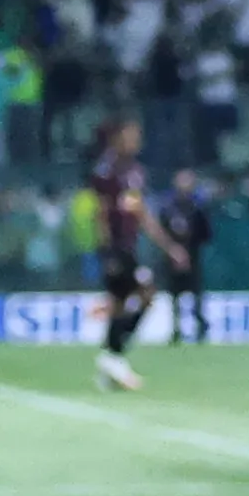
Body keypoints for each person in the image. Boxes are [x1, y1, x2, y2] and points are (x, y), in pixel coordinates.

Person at [85, 119, 175, 391]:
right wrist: (106, 250)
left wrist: (167, 245)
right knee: (143, 294)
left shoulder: (135, 171)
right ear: (117, 138)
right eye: (130, 135)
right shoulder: (106, 169)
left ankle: (111, 362)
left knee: (125, 302)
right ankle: (113, 357)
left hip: (128, 246)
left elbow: (140, 212)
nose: (135, 141)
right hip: (116, 248)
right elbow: (100, 212)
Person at [154, 165, 214, 343]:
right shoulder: (167, 206)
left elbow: (206, 232)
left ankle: (200, 327)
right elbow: (160, 230)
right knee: (174, 295)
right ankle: (176, 329)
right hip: (171, 257)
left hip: (193, 256)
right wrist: (171, 249)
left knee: (196, 293)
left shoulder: (198, 206)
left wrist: (191, 247)